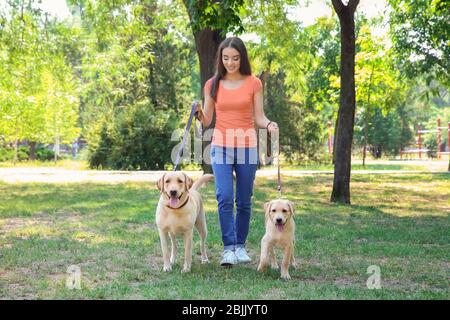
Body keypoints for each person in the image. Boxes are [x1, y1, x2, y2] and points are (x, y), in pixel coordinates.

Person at [195, 37, 279, 267]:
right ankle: (228, 249)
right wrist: (199, 114)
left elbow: (259, 117)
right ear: (220, 59)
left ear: (242, 58)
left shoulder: (254, 83)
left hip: (247, 147)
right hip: (221, 145)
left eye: (235, 58)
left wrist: (269, 124)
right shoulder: (212, 84)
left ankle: (240, 246)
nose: (230, 62)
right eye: (226, 58)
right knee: (224, 197)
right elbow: (208, 119)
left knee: (243, 200)